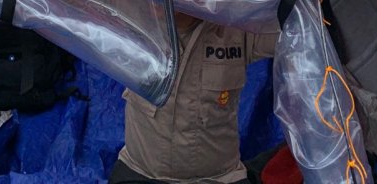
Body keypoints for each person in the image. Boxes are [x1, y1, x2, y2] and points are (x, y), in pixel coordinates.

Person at [110, 12, 278, 183]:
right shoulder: (133, 13)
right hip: (140, 173)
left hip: (220, 178)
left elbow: (294, 33)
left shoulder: (237, 27)